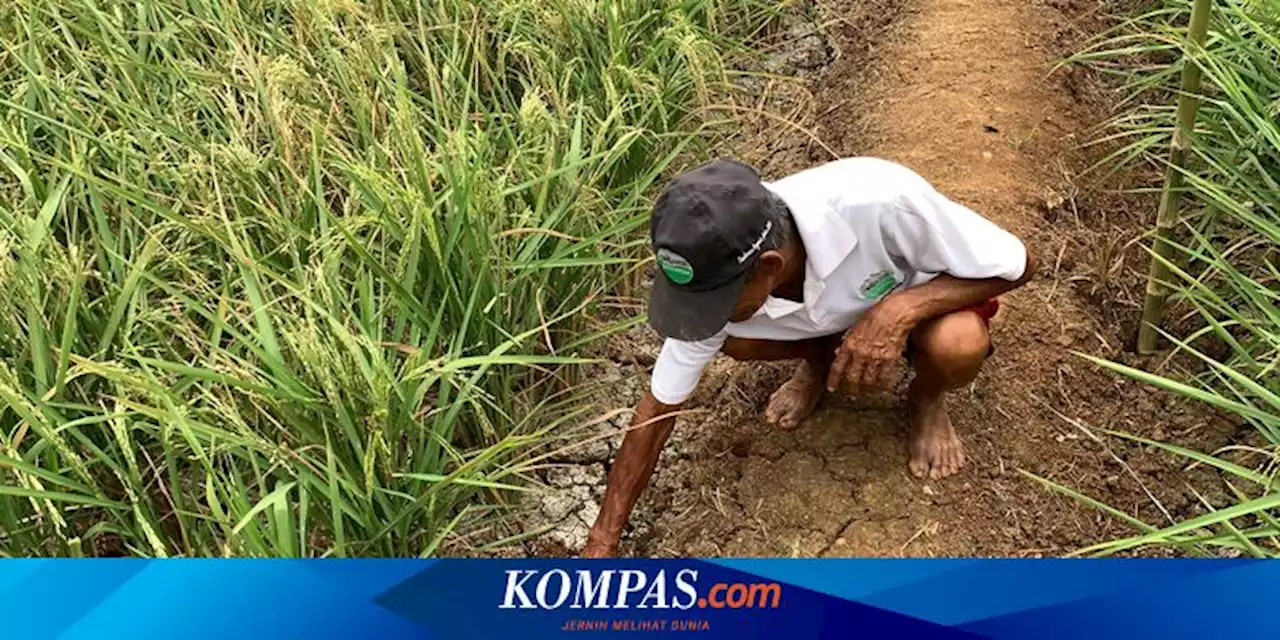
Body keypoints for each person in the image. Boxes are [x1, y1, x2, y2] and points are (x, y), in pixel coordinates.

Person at [580, 157, 1037, 558]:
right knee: (734, 340)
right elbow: (656, 411)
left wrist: (900, 310)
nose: (706, 315)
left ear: (770, 268)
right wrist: (603, 541)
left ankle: (926, 400)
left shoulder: (881, 200)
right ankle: (818, 364)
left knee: (958, 343)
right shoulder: (718, 269)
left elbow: (1020, 264)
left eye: (718, 303)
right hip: (832, 323)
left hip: (920, 308)